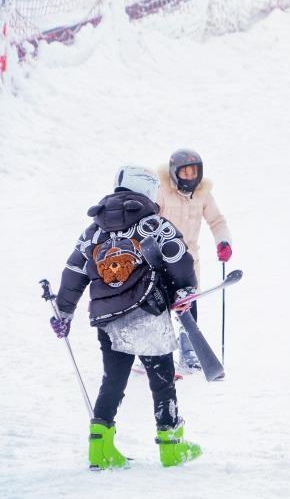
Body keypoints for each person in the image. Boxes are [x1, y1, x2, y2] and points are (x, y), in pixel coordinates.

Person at [51, 165, 202, 470]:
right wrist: (186, 292)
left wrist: (64, 311)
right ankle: (171, 447)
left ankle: (100, 448)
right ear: (147, 190)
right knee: (162, 382)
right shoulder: (154, 225)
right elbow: (178, 259)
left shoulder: (94, 230)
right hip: (148, 313)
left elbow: (75, 272)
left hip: (107, 317)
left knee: (113, 381)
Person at [156, 149, 232, 370]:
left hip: (189, 259)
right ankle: (156, 353)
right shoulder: (161, 192)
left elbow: (217, 221)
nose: (190, 177)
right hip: (161, 258)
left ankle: (189, 351)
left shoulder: (203, 194)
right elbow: (148, 220)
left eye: (194, 172)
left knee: (187, 302)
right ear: (174, 173)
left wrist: (223, 242)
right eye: (185, 173)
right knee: (159, 304)